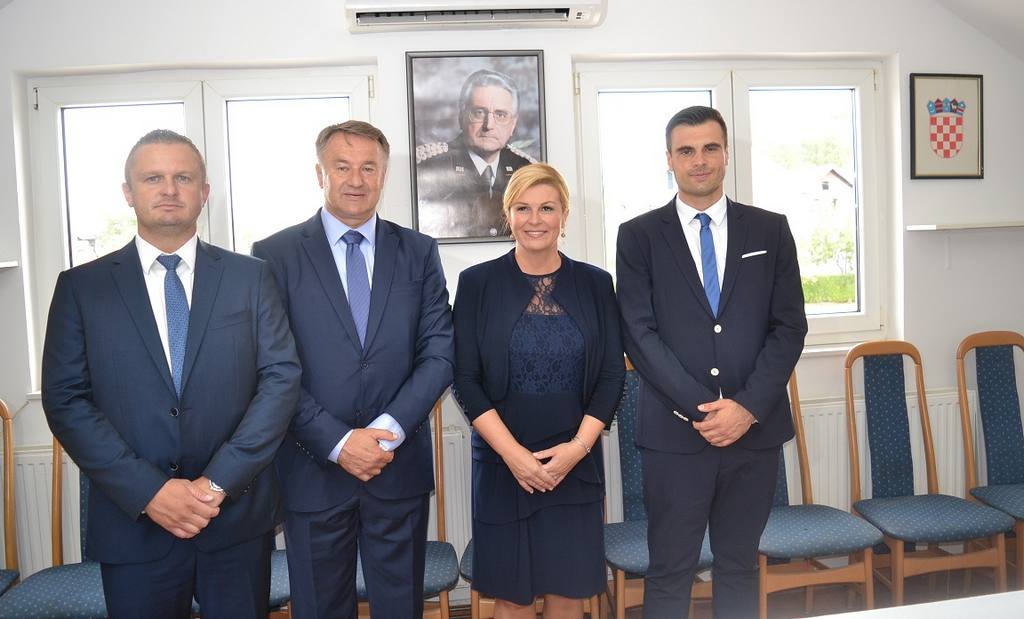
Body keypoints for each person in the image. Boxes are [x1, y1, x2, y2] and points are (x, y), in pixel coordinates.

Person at [41, 129, 301, 619]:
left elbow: (280, 380)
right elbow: (66, 400)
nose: (168, 189)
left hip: (234, 519)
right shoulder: (82, 288)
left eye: (183, 177)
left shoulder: (250, 277)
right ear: (128, 192)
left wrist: (216, 484)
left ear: (204, 192)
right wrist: (152, 492)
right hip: (135, 524)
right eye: (153, 178)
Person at [251, 120, 455, 619]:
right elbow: (273, 365)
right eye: (342, 167)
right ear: (319, 173)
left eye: (369, 168)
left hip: (395, 466)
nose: (356, 180)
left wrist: (387, 432)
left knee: (401, 607)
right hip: (313, 467)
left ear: (384, 175)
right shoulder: (273, 255)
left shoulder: (419, 251)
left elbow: (439, 352)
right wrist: (340, 442)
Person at [616, 106, 807, 618]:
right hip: (675, 436)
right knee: (670, 570)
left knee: (740, 566)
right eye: (686, 151)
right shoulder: (638, 236)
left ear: (726, 154)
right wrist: (704, 411)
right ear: (669, 160)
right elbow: (638, 335)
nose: (698, 160)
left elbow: (789, 327)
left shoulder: (769, 230)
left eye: (709, 148)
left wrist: (745, 408)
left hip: (753, 432)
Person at [453, 163, 624, 618]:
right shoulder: (476, 283)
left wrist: (577, 450)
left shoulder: (596, 283)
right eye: (523, 208)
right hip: (502, 466)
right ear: (507, 214)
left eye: (547, 208)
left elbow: (612, 375)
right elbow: (465, 379)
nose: (535, 219)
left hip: (575, 465)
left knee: (569, 592)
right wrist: (514, 456)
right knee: (513, 598)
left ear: (564, 215)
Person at [417, 69, 536, 239]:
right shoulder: (430, 165)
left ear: (513, 124)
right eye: (479, 113)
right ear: (461, 117)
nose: (489, 125)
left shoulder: (526, 169)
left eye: (501, 115)